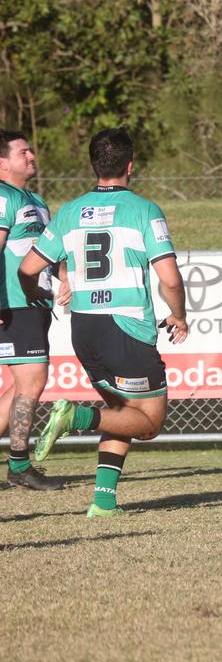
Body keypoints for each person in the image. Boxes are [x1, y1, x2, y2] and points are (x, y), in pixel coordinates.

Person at [20, 128, 189, 515]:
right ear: (130, 165)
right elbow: (170, 278)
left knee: (123, 412)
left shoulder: (69, 212)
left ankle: (102, 502)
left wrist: (43, 291)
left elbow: (29, 269)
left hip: (85, 329)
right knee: (148, 424)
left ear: (94, 165)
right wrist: (178, 314)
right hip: (125, 327)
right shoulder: (145, 210)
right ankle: (75, 416)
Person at [0, 130, 63, 490]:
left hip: (35, 304)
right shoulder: (3, 196)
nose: (32, 155)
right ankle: (19, 466)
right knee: (33, 380)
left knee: (21, 384)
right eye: (23, 152)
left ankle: (18, 465)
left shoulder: (36, 199)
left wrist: (64, 277)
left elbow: (47, 250)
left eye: (31, 150)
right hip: (13, 303)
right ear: (3, 162)